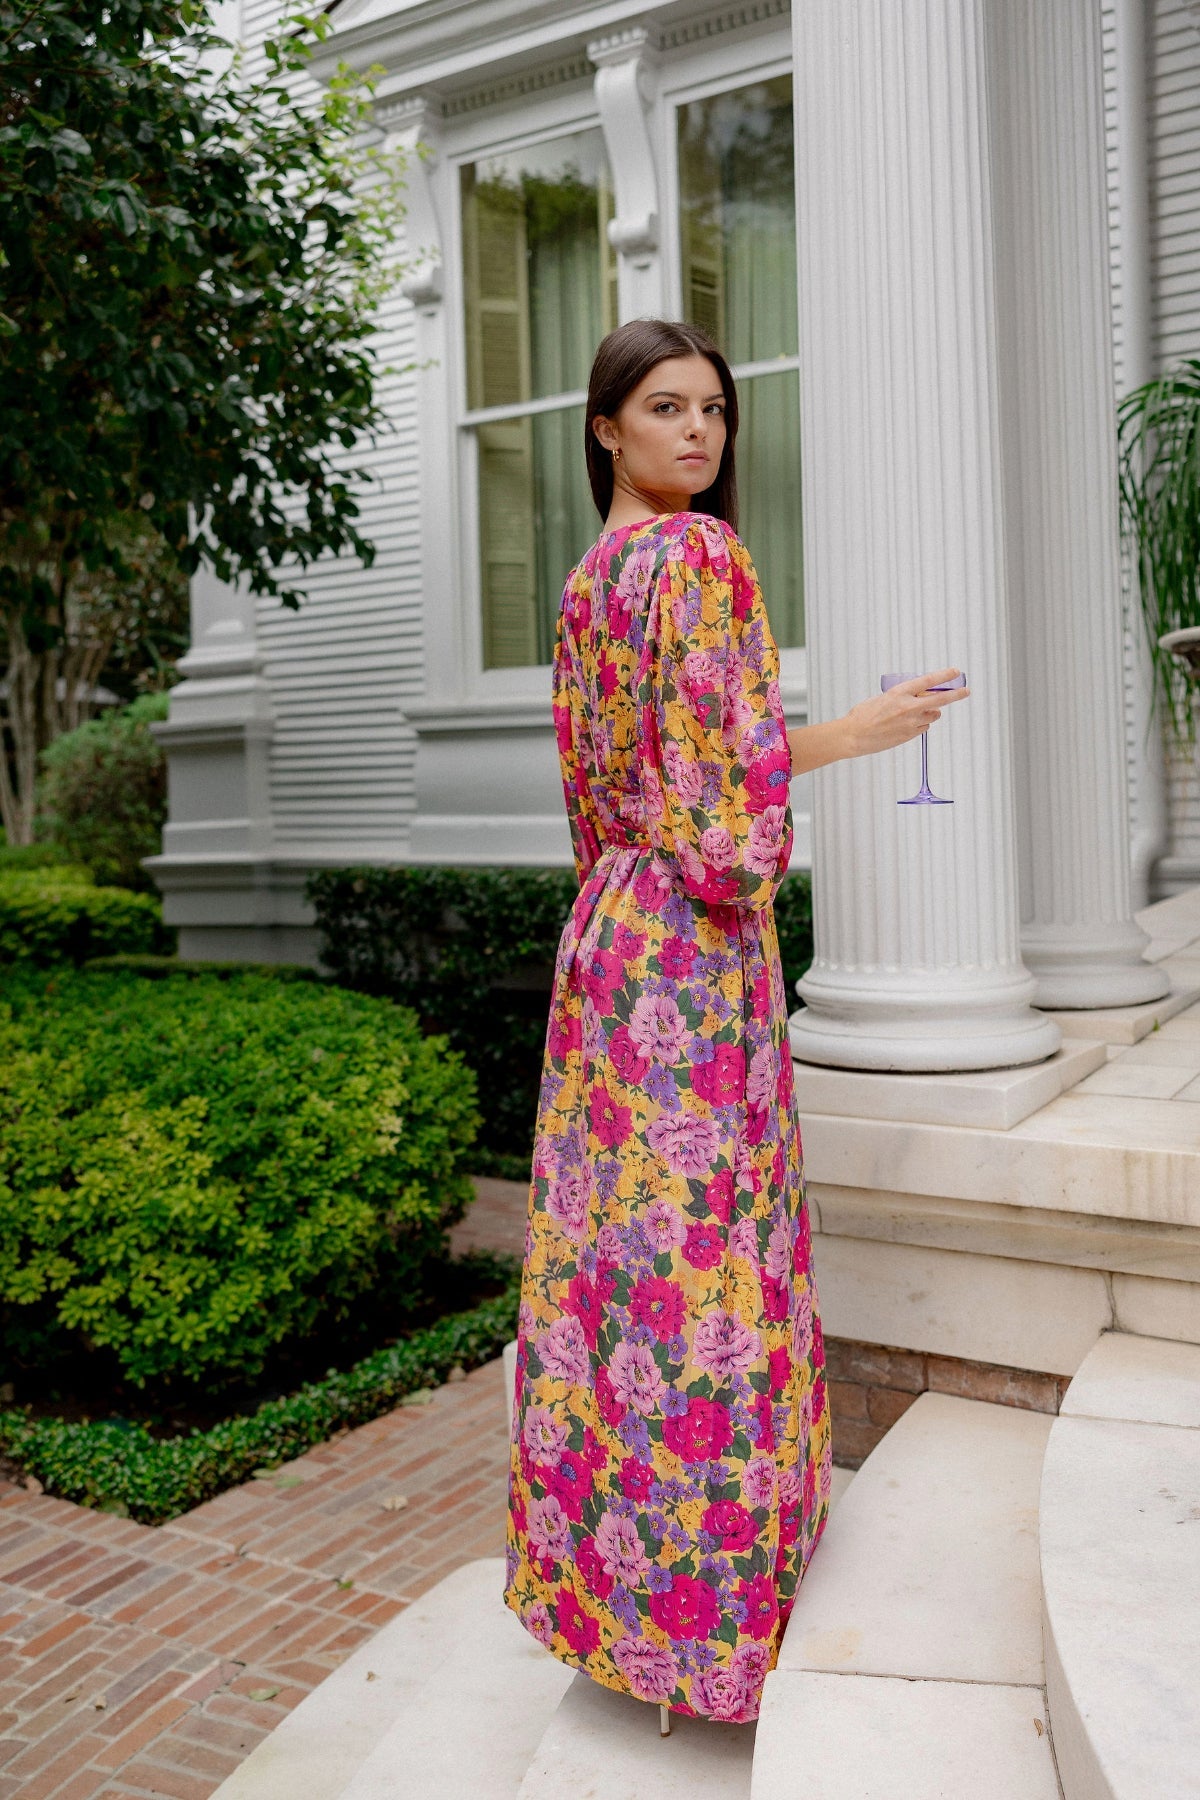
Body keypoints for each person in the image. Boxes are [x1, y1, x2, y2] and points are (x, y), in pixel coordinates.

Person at [501, 317, 970, 1732]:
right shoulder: (699, 557)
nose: (698, 431)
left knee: (619, 1271)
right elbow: (722, 816)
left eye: (713, 409)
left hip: (605, 935)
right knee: (703, 1271)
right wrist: (860, 734)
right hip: (688, 955)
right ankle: (709, 1632)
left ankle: (621, 1613)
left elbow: (621, 787)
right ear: (607, 428)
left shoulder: (588, 581)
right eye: (666, 407)